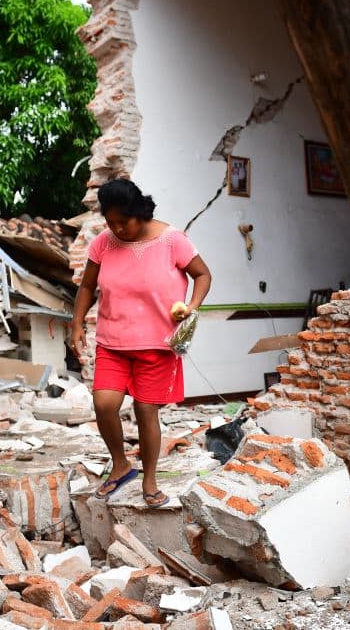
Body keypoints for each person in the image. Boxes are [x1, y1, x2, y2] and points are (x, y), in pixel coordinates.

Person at [70, 179, 212, 507]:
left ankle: (149, 479)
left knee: (146, 411)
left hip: (157, 345)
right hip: (112, 343)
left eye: (124, 221)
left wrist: (192, 307)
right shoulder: (103, 243)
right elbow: (87, 286)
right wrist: (76, 322)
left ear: (141, 212)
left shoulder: (172, 240)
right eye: (111, 222)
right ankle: (120, 465)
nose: (118, 228)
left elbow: (203, 274)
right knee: (104, 405)